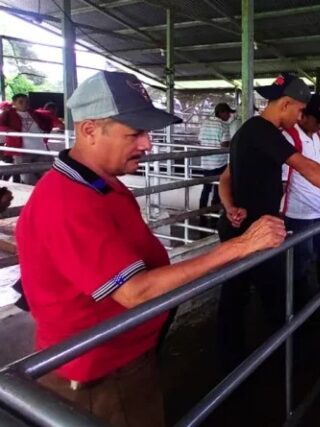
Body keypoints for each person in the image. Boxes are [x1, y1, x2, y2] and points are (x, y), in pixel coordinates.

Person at [15, 71, 287, 426]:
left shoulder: (100, 183)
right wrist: (241, 246)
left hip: (122, 356)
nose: (147, 145)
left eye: (146, 133)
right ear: (89, 131)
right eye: (134, 134)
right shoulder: (69, 201)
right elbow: (135, 292)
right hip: (100, 374)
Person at [216, 73, 320, 369]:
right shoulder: (263, 130)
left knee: (239, 295)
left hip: (244, 226)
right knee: (274, 294)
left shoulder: (250, 131)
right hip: (256, 231)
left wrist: (229, 206)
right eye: (301, 111)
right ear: (287, 104)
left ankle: (236, 360)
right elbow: (304, 166)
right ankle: (285, 362)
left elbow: (225, 178)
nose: (301, 116)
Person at [280, 94, 320, 305]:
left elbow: (317, 171)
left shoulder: (315, 136)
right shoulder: (287, 138)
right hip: (297, 212)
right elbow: (283, 182)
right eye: (318, 119)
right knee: (300, 261)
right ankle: (299, 308)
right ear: (303, 115)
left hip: (319, 208)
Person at [0, 93, 53, 184]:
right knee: (29, 179)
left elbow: (48, 120)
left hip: (41, 149)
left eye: (27, 102)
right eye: (21, 102)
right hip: (22, 151)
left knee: (49, 177)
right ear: (14, 103)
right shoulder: (8, 113)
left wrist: (46, 130)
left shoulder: (34, 113)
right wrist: (10, 130)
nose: (25, 104)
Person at [197, 102, 235, 221]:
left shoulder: (205, 123)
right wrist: (232, 144)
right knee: (218, 190)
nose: (229, 116)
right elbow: (224, 145)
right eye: (228, 113)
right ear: (222, 113)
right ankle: (214, 218)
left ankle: (202, 215)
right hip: (219, 163)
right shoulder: (223, 126)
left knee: (206, 189)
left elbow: (200, 140)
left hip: (206, 163)